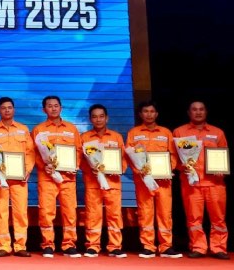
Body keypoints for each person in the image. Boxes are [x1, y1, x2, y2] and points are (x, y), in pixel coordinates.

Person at [125, 101, 181, 258]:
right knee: (145, 212)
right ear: (140, 114)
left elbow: (173, 155)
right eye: (145, 111)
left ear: (156, 114)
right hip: (143, 181)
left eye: (152, 111)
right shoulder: (133, 133)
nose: (149, 114)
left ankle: (166, 246)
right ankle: (148, 245)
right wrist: (140, 171)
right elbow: (129, 156)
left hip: (164, 181)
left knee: (165, 213)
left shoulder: (166, 132)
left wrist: (168, 170)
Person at [173, 101, 228, 260]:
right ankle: (198, 247)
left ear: (206, 112)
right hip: (191, 183)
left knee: (218, 218)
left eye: (201, 109)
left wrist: (221, 169)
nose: (198, 112)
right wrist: (183, 167)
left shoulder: (218, 133)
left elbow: (224, 155)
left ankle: (218, 247)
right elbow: (174, 159)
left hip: (215, 184)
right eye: (194, 110)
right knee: (194, 218)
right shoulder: (179, 132)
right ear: (189, 113)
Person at [31, 96, 82, 258]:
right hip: (47, 177)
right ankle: (47, 244)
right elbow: (34, 153)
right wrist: (43, 165)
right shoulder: (39, 129)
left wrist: (75, 165)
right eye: (49, 106)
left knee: (69, 212)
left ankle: (69, 244)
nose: (53, 108)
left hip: (68, 178)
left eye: (56, 106)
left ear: (61, 108)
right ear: (43, 109)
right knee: (46, 211)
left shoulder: (71, 128)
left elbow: (78, 150)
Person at [0, 97, 34, 257]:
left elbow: (30, 152)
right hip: (0, 180)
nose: (7, 110)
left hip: (20, 179)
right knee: (1, 212)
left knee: (20, 212)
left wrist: (27, 170)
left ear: (14, 110)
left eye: (10, 107)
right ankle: (4, 245)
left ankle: (20, 246)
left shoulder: (23, 129)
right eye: (3, 108)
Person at [80, 104, 127, 258]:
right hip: (93, 183)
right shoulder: (84, 138)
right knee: (93, 214)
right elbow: (79, 161)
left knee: (114, 215)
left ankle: (115, 246)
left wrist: (119, 170)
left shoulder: (116, 137)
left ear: (107, 118)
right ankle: (92, 246)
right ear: (90, 119)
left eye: (101, 116)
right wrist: (90, 169)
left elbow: (123, 159)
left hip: (113, 182)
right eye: (94, 116)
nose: (98, 119)